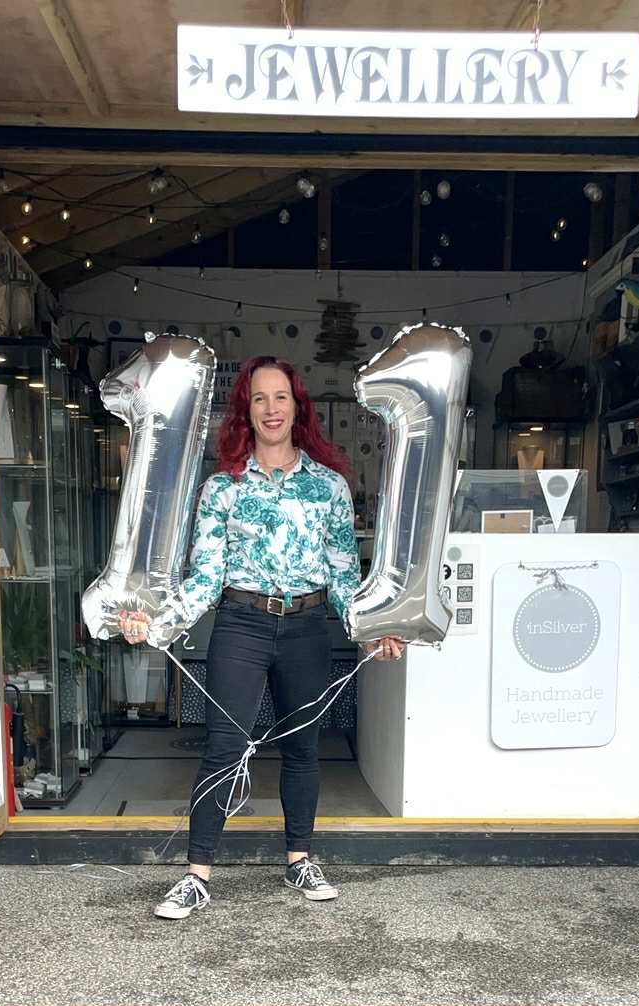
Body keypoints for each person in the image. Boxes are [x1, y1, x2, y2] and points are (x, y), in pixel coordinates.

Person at [119, 355, 404, 920]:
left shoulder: (330, 487)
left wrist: (372, 632)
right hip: (241, 626)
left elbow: (345, 575)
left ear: (297, 406)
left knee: (302, 748)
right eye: (259, 398)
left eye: (280, 397)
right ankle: (197, 874)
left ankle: (299, 857)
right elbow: (204, 576)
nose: (271, 408)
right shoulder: (221, 488)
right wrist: (156, 622)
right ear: (244, 411)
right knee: (224, 748)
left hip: (307, 627)